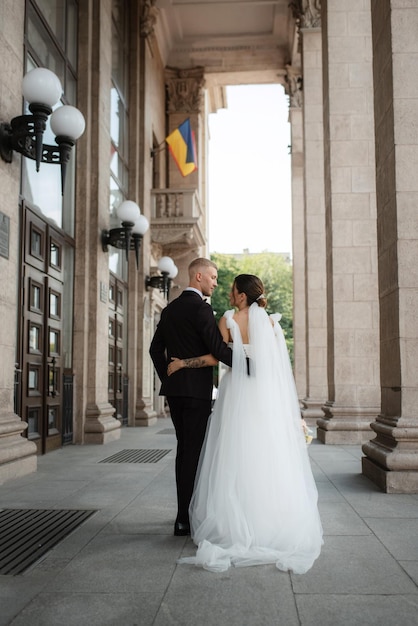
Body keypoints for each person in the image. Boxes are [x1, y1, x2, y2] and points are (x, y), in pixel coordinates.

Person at [167, 274, 323, 573]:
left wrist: (183, 362)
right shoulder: (272, 323)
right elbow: (279, 368)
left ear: (241, 295)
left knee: (233, 450)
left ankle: (233, 517)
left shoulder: (229, 319)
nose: (228, 292)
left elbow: (216, 357)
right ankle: (270, 517)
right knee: (266, 450)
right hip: (265, 394)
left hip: (238, 389)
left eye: (232, 289)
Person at [149, 257, 232, 537]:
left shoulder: (170, 310)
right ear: (198, 277)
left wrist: (169, 378)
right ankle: (186, 518)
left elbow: (154, 349)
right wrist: (252, 362)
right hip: (196, 394)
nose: (215, 283)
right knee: (193, 453)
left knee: (184, 450)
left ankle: (183, 516)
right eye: (212, 278)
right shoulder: (201, 310)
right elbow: (219, 350)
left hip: (174, 393)